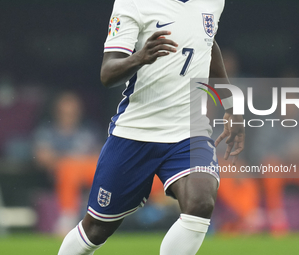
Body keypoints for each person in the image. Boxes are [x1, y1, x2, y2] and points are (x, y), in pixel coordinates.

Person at [58, 0, 245, 254]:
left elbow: (207, 44)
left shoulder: (212, 2)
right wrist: (140, 57)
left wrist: (231, 107)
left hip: (189, 131)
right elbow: (107, 73)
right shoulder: (132, 3)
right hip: (136, 133)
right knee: (96, 229)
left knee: (201, 202)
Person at [34, 92, 101, 235]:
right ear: (57, 112)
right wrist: (69, 161)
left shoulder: (87, 131)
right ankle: (67, 218)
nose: (69, 115)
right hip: (58, 176)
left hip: (88, 176)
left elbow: (100, 157)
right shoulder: (47, 131)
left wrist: (76, 162)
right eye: (65, 112)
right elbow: (42, 158)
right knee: (68, 168)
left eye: (72, 112)